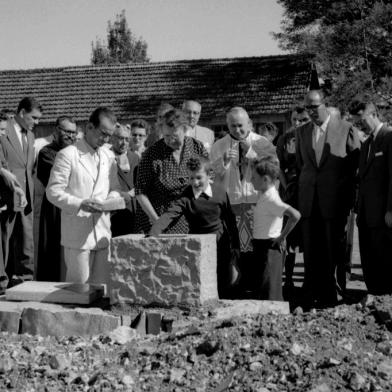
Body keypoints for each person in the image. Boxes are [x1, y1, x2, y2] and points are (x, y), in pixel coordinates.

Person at [296, 90, 360, 307]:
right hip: (308, 201)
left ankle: (334, 296)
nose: (311, 112)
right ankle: (310, 296)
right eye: (307, 108)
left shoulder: (346, 129)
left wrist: (347, 199)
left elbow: (353, 169)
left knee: (333, 252)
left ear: (324, 104)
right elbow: (301, 166)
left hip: (334, 203)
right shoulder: (302, 132)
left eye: (314, 107)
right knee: (311, 252)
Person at [46, 107, 123, 284]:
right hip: (78, 234)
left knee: (102, 289)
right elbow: (53, 191)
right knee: (78, 290)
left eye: (109, 135)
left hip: (102, 231)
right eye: (103, 133)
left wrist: (110, 201)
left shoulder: (108, 156)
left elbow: (115, 188)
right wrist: (80, 203)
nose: (106, 140)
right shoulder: (67, 155)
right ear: (89, 127)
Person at [150, 156, 240, 298]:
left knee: (222, 283)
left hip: (220, 244)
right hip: (198, 246)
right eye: (191, 178)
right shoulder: (186, 196)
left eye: (199, 178)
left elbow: (230, 221)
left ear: (209, 175)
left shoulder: (220, 193)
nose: (195, 182)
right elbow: (170, 214)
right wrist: (155, 232)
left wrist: (236, 245)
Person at [210, 107, 275, 296]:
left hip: (257, 203)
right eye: (232, 126)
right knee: (238, 250)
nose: (237, 130)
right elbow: (210, 176)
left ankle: (260, 289)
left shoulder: (262, 143)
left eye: (240, 125)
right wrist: (221, 163)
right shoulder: (219, 145)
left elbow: (273, 171)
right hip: (233, 204)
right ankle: (241, 288)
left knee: (259, 250)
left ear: (249, 124)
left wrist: (252, 154)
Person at [135, 109, 208, 234]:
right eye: (166, 136)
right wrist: (158, 222)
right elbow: (140, 192)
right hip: (158, 220)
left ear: (185, 130)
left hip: (191, 220)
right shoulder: (152, 154)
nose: (169, 140)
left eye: (174, 136)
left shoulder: (197, 148)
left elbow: (209, 178)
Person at [348, 99, 392, 295]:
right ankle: (373, 296)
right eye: (357, 122)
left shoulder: (389, 137)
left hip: (383, 214)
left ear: (373, 115)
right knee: (368, 258)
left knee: (384, 258)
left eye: (362, 120)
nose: (360, 125)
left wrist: (391, 209)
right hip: (365, 214)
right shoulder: (366, 144)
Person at [0, 97, 42, 286]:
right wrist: (14, 188)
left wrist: (27, 191)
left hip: (26, 195)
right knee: (5, 239)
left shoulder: (31, 135)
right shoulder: (3, 129)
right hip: (7, 193)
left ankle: (26, 279)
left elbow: (29, 167)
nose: (37, 122)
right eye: (33, 117)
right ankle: (2, 281)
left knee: (26, 239)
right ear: (22, 113)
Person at [250, 156, 301, 300]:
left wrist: (282, 236)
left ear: (265, 180)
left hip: (270, 247)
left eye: (254, 177)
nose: (251, 180)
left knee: (271, 291)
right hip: (262, 245)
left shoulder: (271, 199)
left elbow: (295, 215)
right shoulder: (265, 194)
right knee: (264, 288)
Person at [36, 116, 78, 281]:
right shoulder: (46, 152)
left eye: (74, 132)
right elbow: (65, 179)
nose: (71, 136)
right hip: (55, 208)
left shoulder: (78, 152)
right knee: (53, 249)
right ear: (56, 131)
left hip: (73, 206)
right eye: (67, 131)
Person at [110, 124, 139, 237]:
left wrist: (132, 193)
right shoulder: (105, 156)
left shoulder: (135, 158)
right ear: (112, 138)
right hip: (113, 210)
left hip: (132, 210)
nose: (124, 143)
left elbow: (141, 182)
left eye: (127, 139)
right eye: (120, 138)